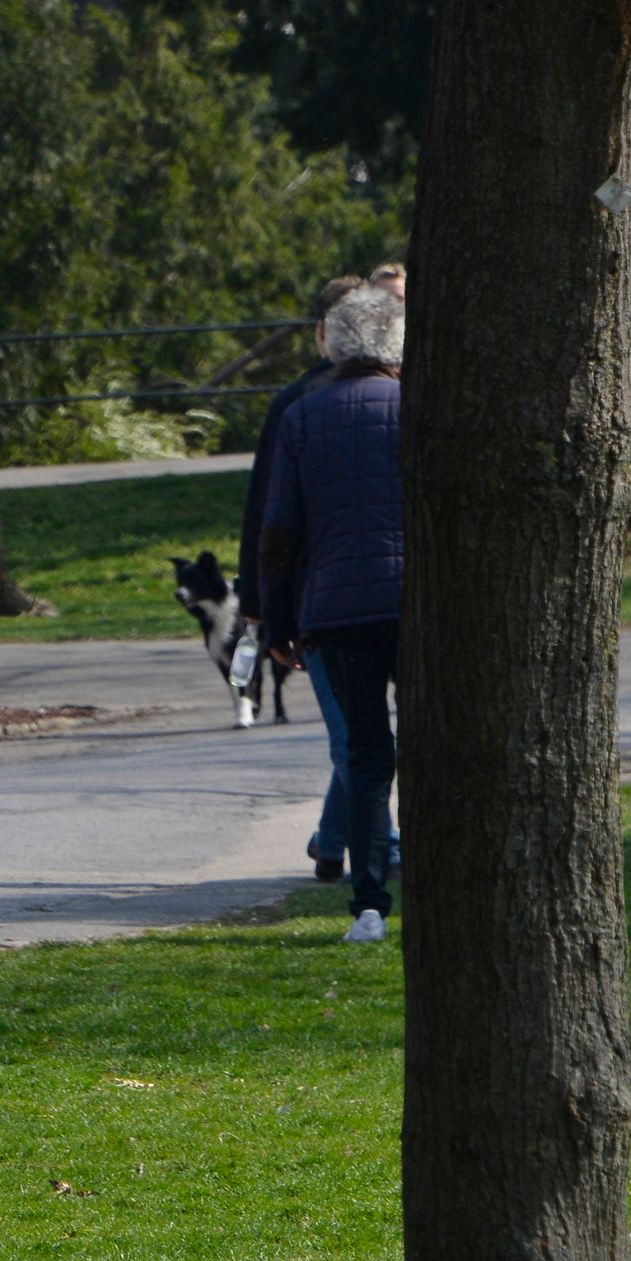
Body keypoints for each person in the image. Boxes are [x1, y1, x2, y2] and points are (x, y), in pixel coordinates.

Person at [262, 285, 408, 944]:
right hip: (411, 602)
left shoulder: (301, 415)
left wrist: (278, 620)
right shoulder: (412, 408)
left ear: (335, 344)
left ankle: (369, 902)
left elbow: (280, 531)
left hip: (335, 610)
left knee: (366, 755)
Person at [242, 274, 371, 880]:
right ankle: (368, 842)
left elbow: (267, 519)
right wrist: (260, 601)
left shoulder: (301, 405)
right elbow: (268, 516)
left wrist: (264, 605)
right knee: (358, 737)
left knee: (357, 735)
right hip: (336, 595)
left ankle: (335, 837)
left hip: (329, 594)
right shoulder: (297, 405)